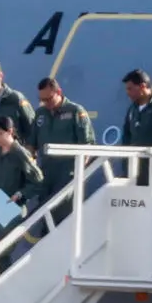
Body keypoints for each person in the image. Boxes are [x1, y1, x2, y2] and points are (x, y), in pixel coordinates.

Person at [0, 117, 43, 268]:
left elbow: (38, 180)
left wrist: (21, 194)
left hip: (13, 206)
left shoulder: (20, 154)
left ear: (10, 132)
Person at [32, 77, 94, 226]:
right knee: (45, 217)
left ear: (58, 92)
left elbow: (87, 145)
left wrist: (78, 174)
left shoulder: (75, 112)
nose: (45, 103)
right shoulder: (40, 114)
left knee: (63, 217)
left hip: (67, 175)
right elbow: (31, 144)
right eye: (42, 100)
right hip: (46, 175)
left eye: (48, 99)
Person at [118, 69, 152, 183]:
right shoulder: (132, 110)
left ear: (142, 86)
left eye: (130, 89)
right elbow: (127, 137)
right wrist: (125, 164)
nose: (127, 93)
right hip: (134, 171)